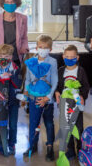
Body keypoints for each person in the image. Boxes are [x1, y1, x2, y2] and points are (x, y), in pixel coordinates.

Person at [23, 34, 58, 162]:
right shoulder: (31, 61)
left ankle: (49, 146)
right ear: (36, 47)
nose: (43, 49)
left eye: (46, 47)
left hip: (47, 98)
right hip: (33, 97)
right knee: (34, 122)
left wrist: (48, 97)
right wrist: (26, 93)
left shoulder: (52, 62)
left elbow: (54, 81)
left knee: (49, 122)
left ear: (50, 49)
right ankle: (32, 144)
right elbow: (27, 79)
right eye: (40, 47)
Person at [55, 45, 89, 160]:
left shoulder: (81, 71)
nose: (70, 59)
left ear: (77, 57)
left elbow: (86, 86)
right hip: (64, 104)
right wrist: (56, 92)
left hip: (77, 104)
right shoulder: (60, 71)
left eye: (73, 57)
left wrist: (82, 96)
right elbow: (57, 86)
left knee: (78, 127)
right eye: (67, 57)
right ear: (63, 56)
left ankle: (80, 148)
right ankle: (70, 150)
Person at [0, 44, 22, 156]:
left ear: (11, 57)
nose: (4, 58)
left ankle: (12, 143)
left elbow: (18, 84)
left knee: (12, 124)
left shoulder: (16, 69)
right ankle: (1, 142)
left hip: (13, 102)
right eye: (1, 55)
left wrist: (10, 76)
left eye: (7, 55)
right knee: (1, 123)